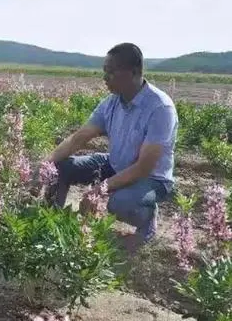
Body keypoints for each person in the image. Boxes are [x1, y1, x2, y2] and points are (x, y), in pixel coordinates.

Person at [45, 42, 178, 245]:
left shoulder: (160, 108)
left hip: (152, 179)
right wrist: (45, 166)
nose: (105, 78)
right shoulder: (111, 103)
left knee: (119, 203)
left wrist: (100, 189)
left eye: (111, 72)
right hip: (115, 164)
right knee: (59, 167)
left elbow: (144, 168)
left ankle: (147, 218)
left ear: (133, 72)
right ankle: (49, 222)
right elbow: (78, 138)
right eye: (104, 71)